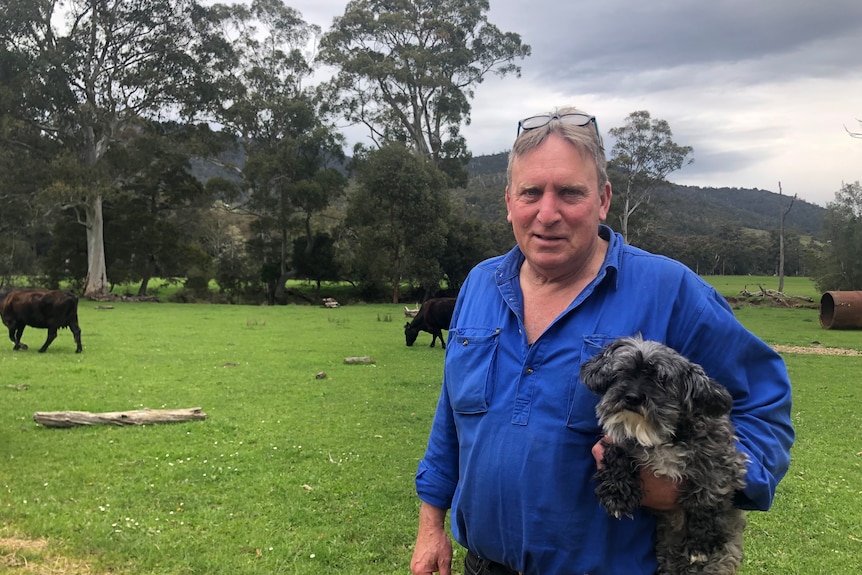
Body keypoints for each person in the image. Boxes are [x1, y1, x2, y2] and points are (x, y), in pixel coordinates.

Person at [409, 106, 794, 575]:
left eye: (570, 192)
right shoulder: (479, 284)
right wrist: (432, 524)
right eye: (531, 192)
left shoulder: (671, 290)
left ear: (603, 198)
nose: (547, 213)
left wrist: (686, 482)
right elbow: (452, 413)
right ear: (509, 200)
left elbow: (764, 410)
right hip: (483, 566)